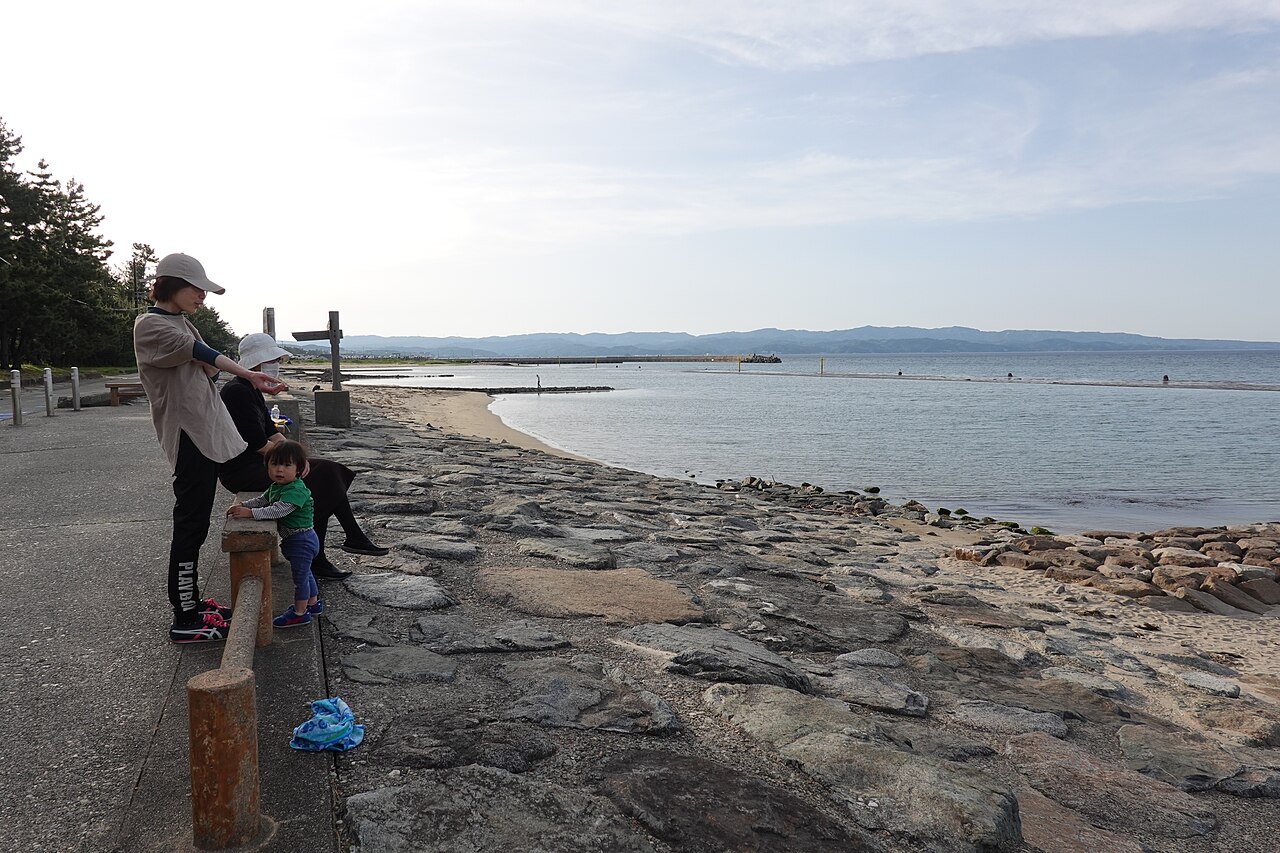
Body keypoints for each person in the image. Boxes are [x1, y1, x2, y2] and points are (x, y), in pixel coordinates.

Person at [133, 253, 287, 643]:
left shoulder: (182, 322)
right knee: (191, 522)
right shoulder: (150, 324)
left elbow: (208, 366)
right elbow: (202, 355)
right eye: (196, 288)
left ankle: (193, 603)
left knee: (197, 522)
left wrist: (224, 367)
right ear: (171, 284)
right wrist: (249, 373)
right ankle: (184, 617)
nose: (202, 296)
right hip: (188, 435)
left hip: (204, 431)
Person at [219, 333, 387, 579]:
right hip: (242, 469)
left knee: (327, 474)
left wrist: (297, 456)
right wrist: (294, 462)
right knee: (324, 477)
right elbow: (258, 444)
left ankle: (338, 546)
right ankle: (336, 547)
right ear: (257, 362)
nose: (276, 364)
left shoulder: (251, 389)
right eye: (273, 359)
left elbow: (272, 433)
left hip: (264, 463)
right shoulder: (237, 391)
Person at [227, 440, 321, 628]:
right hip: (297, 540)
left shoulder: (296, 490)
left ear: (299, 469)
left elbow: (278, 510)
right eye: (275, 464)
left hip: (302, 540)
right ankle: (313, 604)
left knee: (300, 578)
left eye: (287, 465)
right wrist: (243, 505)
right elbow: (263, 500)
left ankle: (300, 613)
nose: (280, 469)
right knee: (306, 573)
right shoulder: (278, 486)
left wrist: (250, 513)